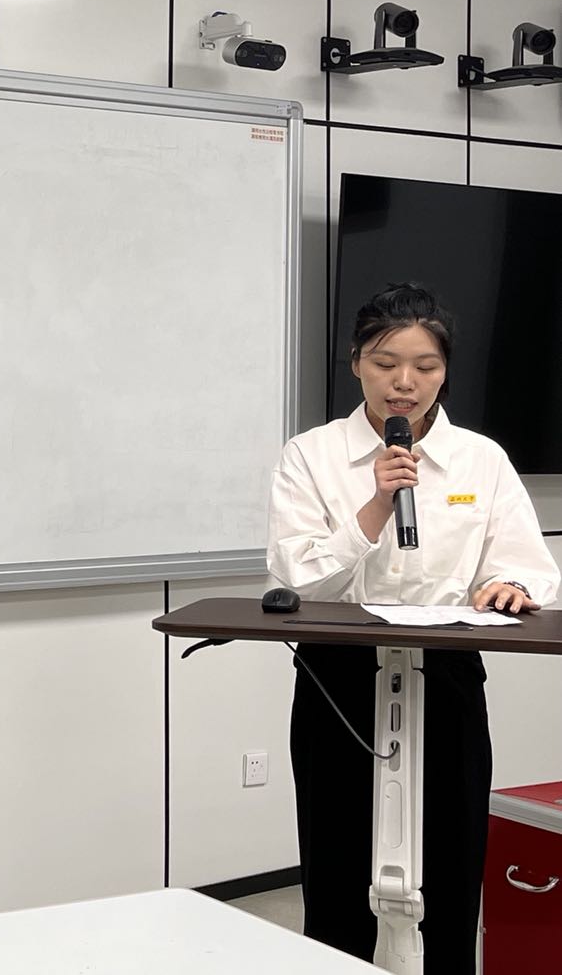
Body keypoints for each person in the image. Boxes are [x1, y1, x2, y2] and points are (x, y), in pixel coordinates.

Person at [268, 283, 559, 973]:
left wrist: (511, 586)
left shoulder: (480, 459)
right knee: (335, 869)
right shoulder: (311, 455)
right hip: (337, 675)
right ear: (356, 363)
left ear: (444, 371)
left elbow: (531, 567)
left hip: (446, 671)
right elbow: (298, 578)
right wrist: (376, 503)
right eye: (385, 362)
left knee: (452, 867)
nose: (405, 382)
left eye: (425, 366)